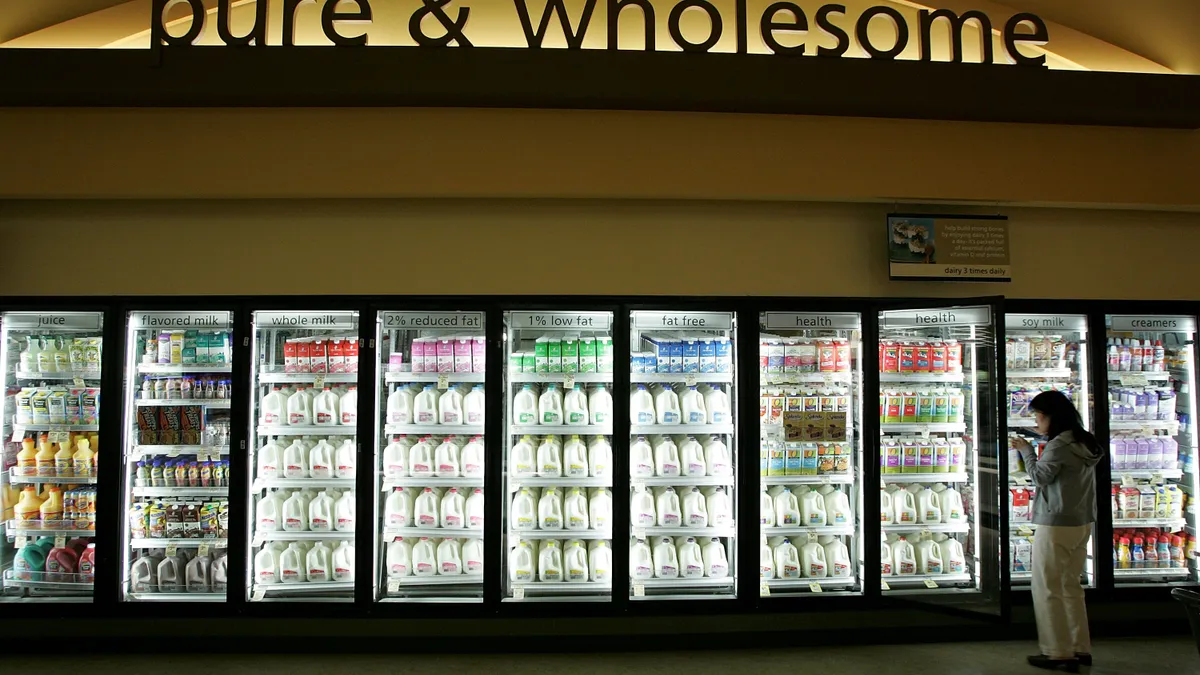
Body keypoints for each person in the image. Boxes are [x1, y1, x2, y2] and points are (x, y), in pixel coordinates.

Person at [1011, 390, 1102, 673]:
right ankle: (1079, 647)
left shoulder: (1059, 445)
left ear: (1052, 416)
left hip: (1056, 523)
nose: (1037, 422)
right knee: (1070, 587)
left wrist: (1026, 450)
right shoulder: (1083, 440)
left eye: (1039, 416)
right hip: (1082, 521)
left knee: (1046, 588)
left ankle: (1057, 652)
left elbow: (1040, 477)